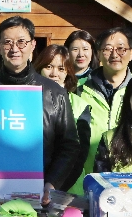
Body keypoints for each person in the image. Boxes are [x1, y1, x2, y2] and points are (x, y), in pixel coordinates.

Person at [0, 17, 80, 200]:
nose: (15, 49)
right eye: (7, 42)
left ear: (32, 45)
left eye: (21, 42)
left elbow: (69, 145)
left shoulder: (55, 93)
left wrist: (51, 183)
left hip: (38, 194)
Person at [70, 26, 132, 185]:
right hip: (87, 180)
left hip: (131, 182)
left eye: (121, 49)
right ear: (98, 53)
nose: (114, 54)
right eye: (107, 49)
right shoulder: (78, 90)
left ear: (131, 53)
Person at [34, 44, 91, 172]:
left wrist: (55, 184)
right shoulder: (28, 98)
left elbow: (79, 154)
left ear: (68, 72)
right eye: (48, 67)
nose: (54, 74)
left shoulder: (80, 106)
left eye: (61, 68)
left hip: (67, 185)